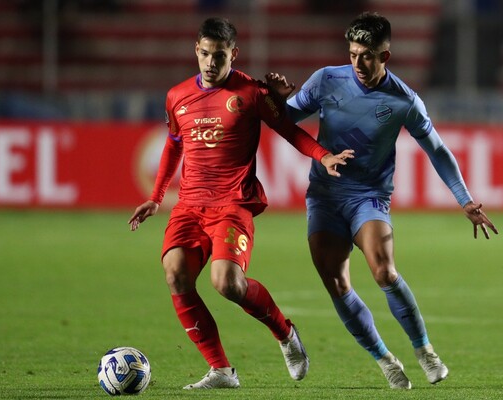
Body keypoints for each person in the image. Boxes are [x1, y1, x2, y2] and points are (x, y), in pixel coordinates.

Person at [266, 11, 498, 389]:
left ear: (385, 56)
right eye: (353, 53)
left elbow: (437, 150)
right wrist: (277, 103)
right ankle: (385, 359)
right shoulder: (327, 79)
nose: (358, 62)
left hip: (368, 196)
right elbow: (285, 121)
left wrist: (465, 200)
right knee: (336, 283)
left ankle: (424, 350)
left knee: (383, 270)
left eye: (367, 55)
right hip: (324, 196)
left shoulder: (404, 100)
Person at [128, 17, 353, 390]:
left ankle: (285, 334)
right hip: (189, 205)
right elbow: (173, 145)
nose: (211, 63)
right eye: (204, 54)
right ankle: (221, 371)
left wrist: (323, 155)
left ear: (233, 54)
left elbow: (290, 131)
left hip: (232, 204)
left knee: (227, 283)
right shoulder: (177, 96)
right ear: (196, 52)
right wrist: (155, 197)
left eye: (219, 56)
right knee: (175, 274)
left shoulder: (251, 93)